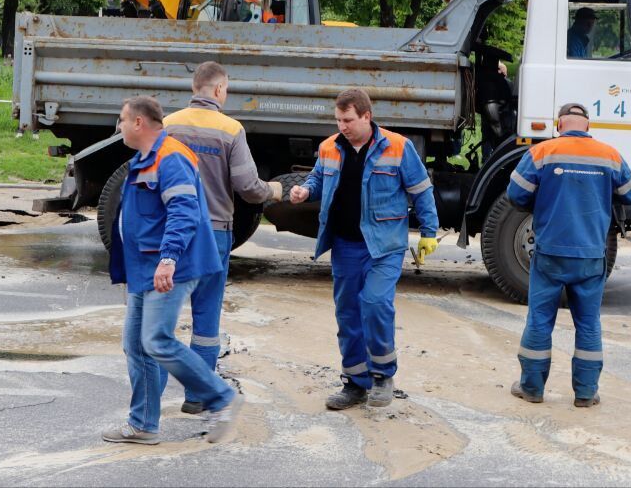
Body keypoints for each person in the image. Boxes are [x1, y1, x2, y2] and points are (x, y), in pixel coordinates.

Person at [104, 95, 244, 446]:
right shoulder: (144, 159)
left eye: (122, 119)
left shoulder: (171, 157)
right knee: (137, 345)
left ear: (138, 122)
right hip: (144, 269)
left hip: (170, 267)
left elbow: (184, 210)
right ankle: (143, 425)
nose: (119, 126)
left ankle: (221, 397)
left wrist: (168, 258)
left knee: (156, 340)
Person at [288, 88, 439, 410]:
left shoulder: (398, 147)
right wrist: (304, 191)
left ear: (366, 116)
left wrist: (429, 232)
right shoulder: (329, 147)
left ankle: (383, 376)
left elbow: (421, 190)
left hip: (384, 246)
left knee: (374, 303)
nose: (342, 126)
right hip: (345, 245)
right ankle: (355, 382)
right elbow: (317, 179)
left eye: (348, 120)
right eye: (338, 119)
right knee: (348, 314)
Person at [163, 62, 283, 414]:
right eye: (226, 90)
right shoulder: (230, 129)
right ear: (218, 90)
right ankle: (197, 396)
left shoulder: (168, 125)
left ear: (194, 87)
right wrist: (273, 190)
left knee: (160, 323)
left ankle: (149, 404)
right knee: (206, 319)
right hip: (212, 234)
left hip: (172, 234)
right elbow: (248, 188)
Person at [507, 103, 631, 408]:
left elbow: (515, 195)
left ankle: (531, 388)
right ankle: (585, 392)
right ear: (588, 126)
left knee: (539, 320)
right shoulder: (609, 155)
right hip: (591, 253)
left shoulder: (542, 153)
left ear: (559, 124)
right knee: (589, 323)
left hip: (550, 252)